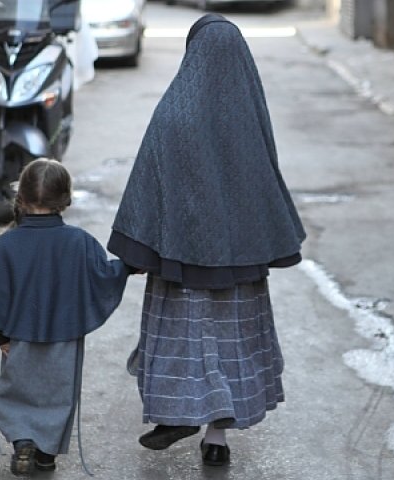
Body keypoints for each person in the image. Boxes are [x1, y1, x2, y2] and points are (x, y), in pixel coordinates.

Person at [108, 14, 306, 467]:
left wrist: (137, 247)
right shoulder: (248, 115)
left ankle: (178, 412)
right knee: (232, 343)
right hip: (240, 266)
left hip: (179, 263)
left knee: (186, 338)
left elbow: (149, 179)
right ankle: (216, 437)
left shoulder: (174, 111)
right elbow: (265, 182)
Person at [0, 159, 133, 476]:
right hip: (64, 338)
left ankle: (22, 444)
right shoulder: (79, 242)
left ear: (21, 199)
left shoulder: (7, 244)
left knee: (17, 390)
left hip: (18, 338)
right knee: (57, 396)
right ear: (66, 200)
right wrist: (128, 265)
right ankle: (46, 454)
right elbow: (104, 275)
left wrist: (0, 335)